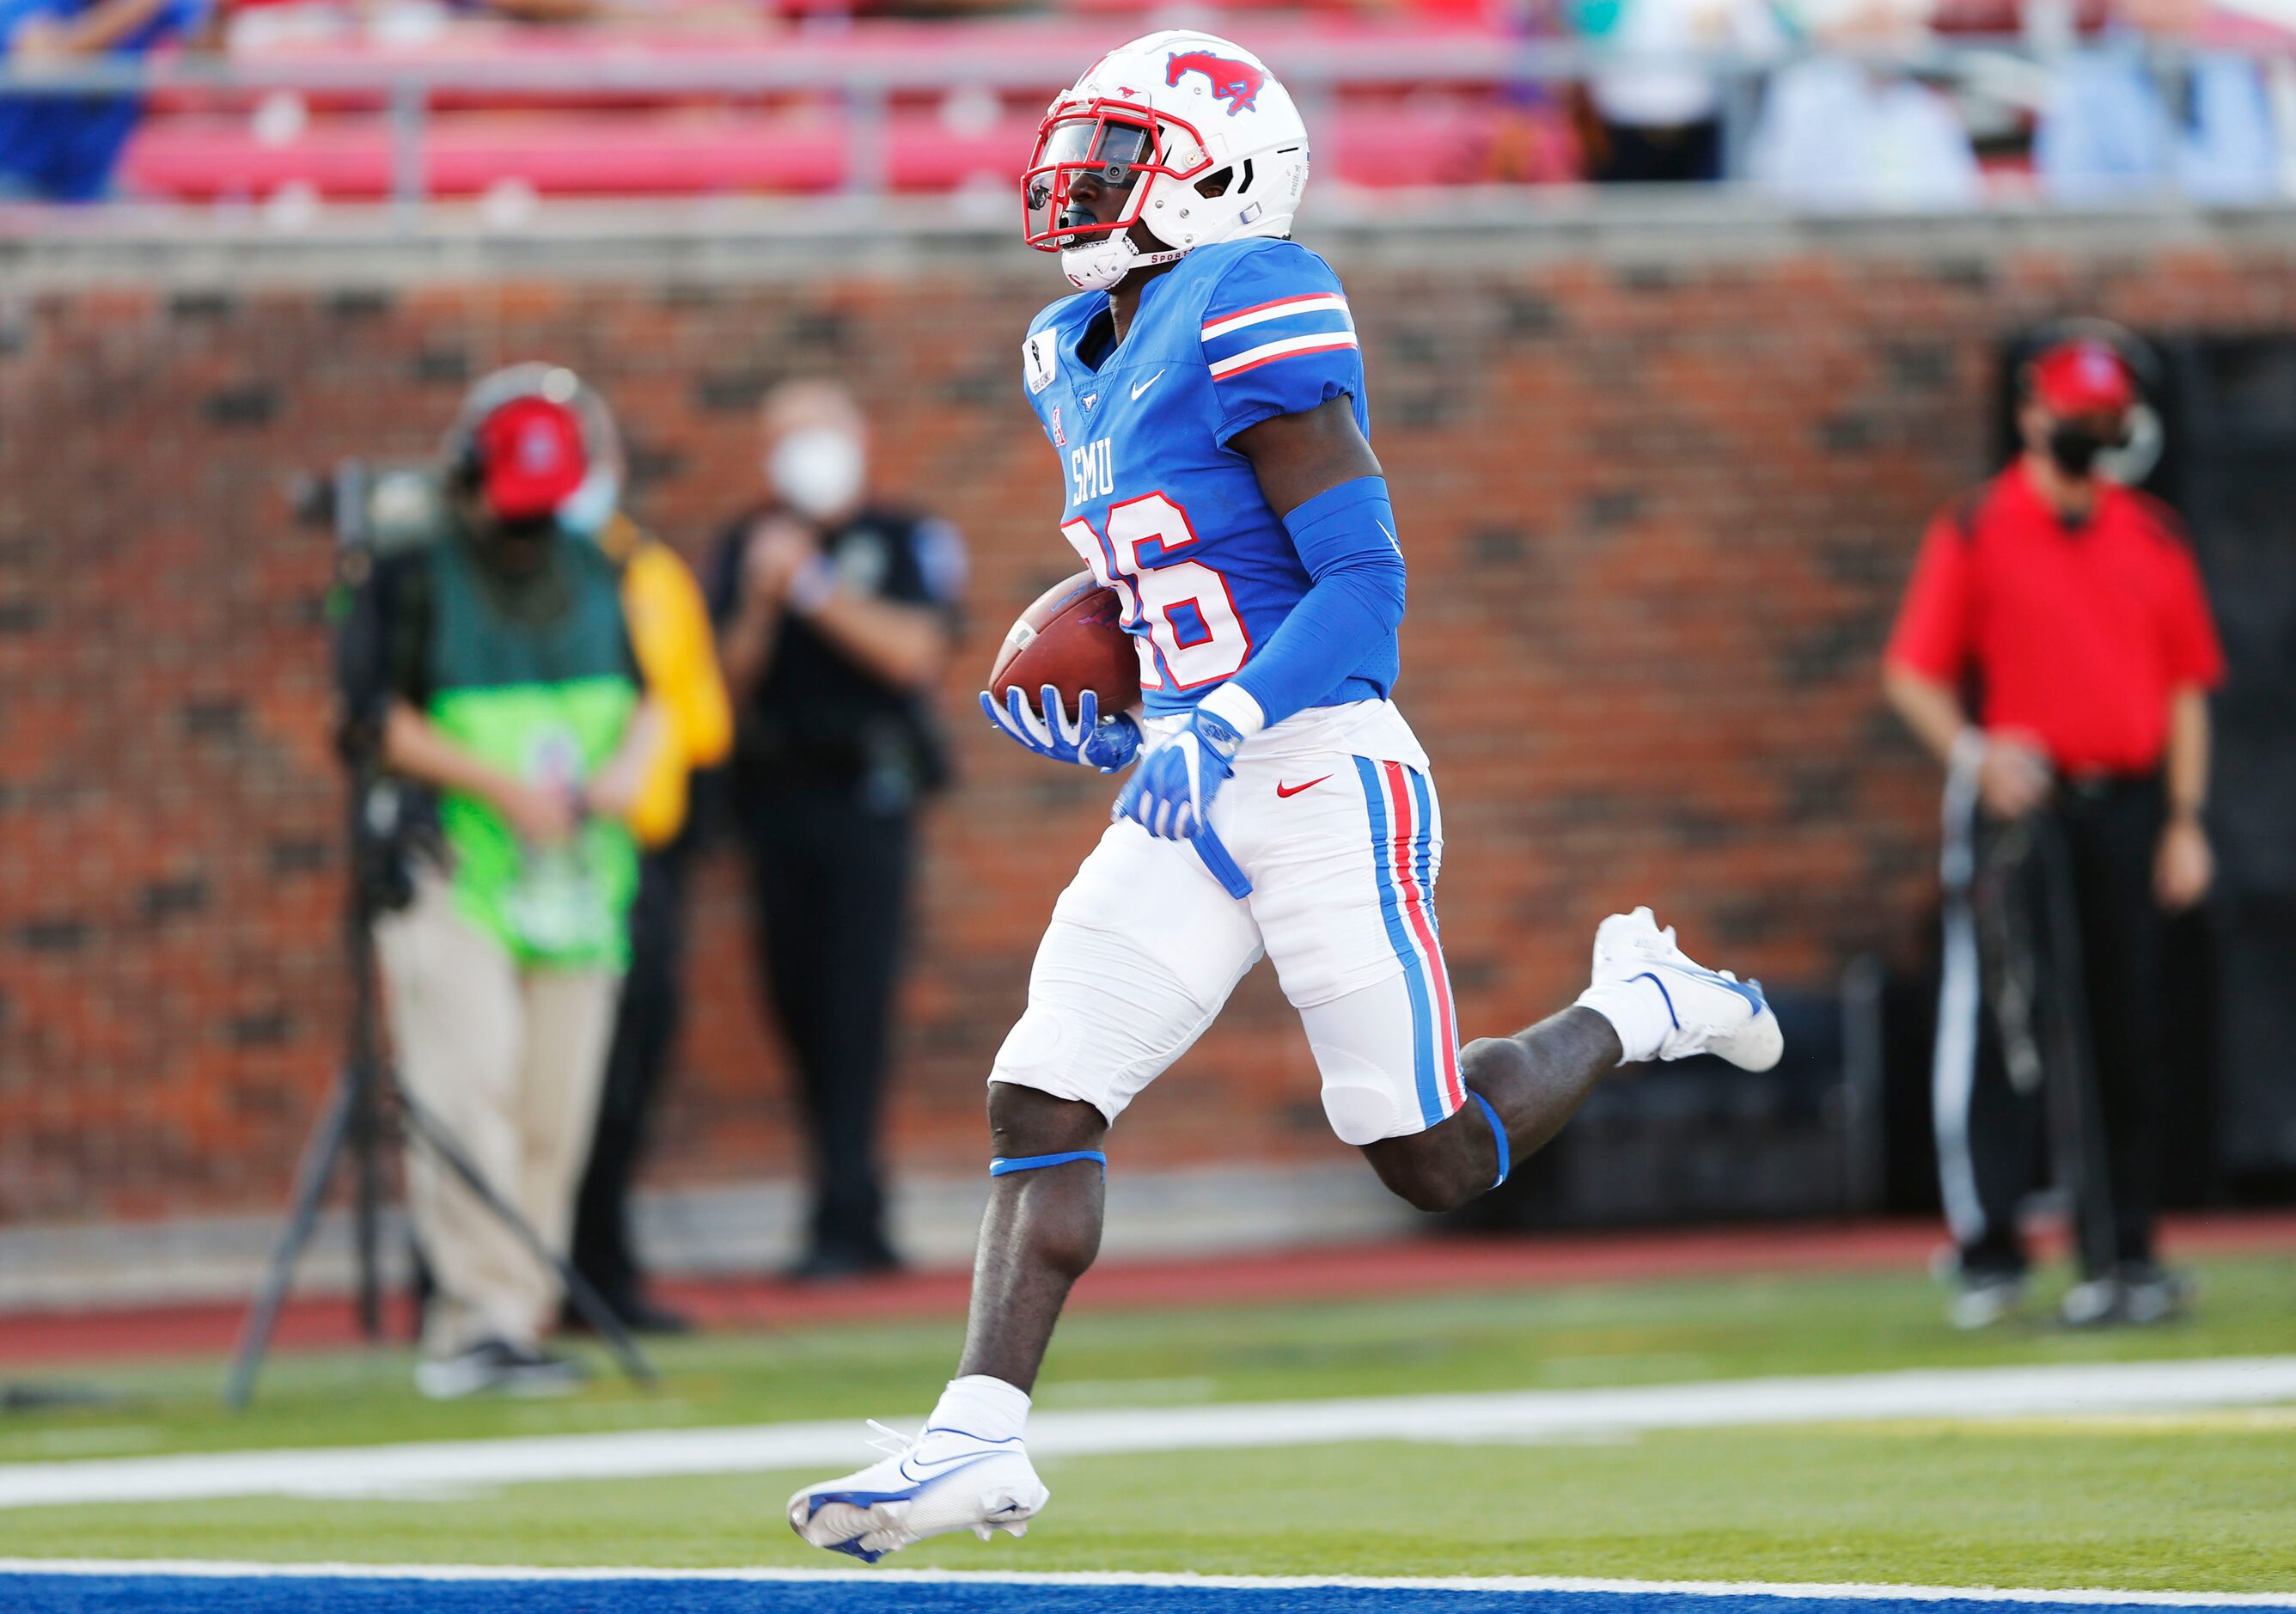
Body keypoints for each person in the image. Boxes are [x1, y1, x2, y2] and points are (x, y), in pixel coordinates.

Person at [785, 30, 1783, 1562]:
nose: (1076, 180)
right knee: (1042, 1085)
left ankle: (1638, 999)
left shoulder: (1254, 293)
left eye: (1119, 153)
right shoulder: (1071, 348)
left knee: (1424, 1149)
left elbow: (1361, 585)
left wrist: (1225, 708)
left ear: (1220, 178)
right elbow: (1170, 570)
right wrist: (1113, 703)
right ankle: (977, 1438)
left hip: (1319, 763)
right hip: (1191, 783)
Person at [1884, 336, 2224, 1331]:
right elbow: (1913, 671)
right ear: (2033, 416)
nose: (2093, 431)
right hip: (2021, 813)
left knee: (2124, 1030)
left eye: (2106, 414)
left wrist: (2183, 821)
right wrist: (1974, 756)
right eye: (2078, 413)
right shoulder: (1979, 527)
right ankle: (1988, 1251)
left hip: (2124, 805)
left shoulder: (2150, 535)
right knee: (2003, 1028)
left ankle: (2120, 1254)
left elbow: (2185, 689)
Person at [366, 382, 662, 1398]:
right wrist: (499, 789)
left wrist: (625, 770)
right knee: (470, 1090)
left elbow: (650, 703)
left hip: (578, 878)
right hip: (459, 868)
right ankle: (477, 1320)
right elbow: (371, 719)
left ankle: (521, 1310)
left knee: (552, 1108)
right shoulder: (413, 570)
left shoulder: (597, 565)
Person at [708, 379, 964, 1281]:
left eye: (817, 434)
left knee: (856, 1004)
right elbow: (721, 687)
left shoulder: (902, 539)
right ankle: (841, 1201)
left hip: (869, 797)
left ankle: (849, 1214)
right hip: (775, 800)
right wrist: (763, 597)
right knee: (794, 1003)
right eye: (784, 439)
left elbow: (914, 652)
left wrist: (812, 588)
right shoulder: (746, 543)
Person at [565, 417, 734, 1336]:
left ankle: (599, 1263)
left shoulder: (649, 574)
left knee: (626, 1070)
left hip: (636, 854)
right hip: (530, 846)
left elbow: (692, 718)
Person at [0, 0, 209, 201]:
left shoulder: (163, 8)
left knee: (166, 227)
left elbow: (206, 49)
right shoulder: (29, 4)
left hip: (91, 183)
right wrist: (134, 8)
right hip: (16, 176)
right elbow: (42, 61)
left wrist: (220, 11)